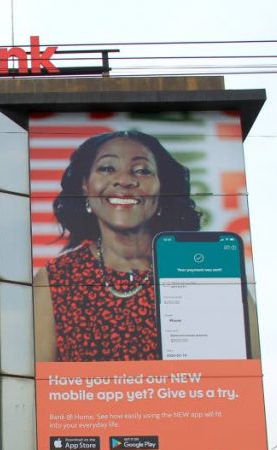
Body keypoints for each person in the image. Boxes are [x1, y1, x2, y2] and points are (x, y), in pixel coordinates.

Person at [34, 129, 201, 362]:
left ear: (162, 188)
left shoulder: (204, 268)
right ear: (85, 185)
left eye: (142, 170)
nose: (124, 180)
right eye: (107, 168)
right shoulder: (55, 280)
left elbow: (244, 372)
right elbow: (38, 387)